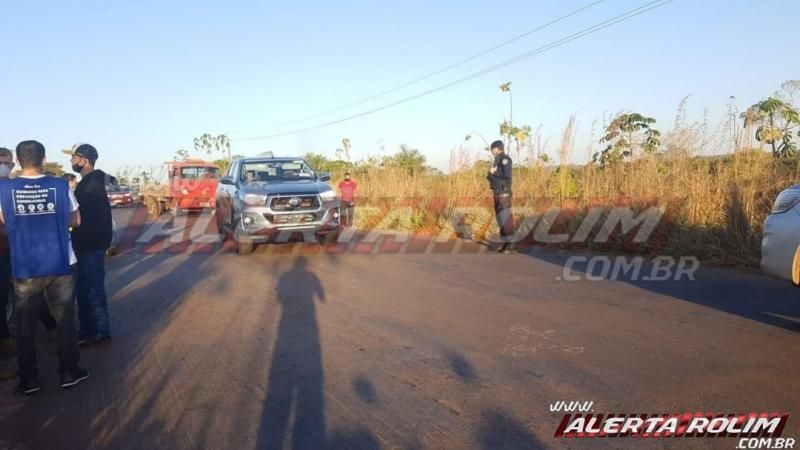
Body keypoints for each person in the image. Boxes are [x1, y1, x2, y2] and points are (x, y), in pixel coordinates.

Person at [0, 140, 88, 394]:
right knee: (65, 321)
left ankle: (29, 380)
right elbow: (76, 219)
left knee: (25, 325)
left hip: (26, 265)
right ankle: (69, 372)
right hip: (61, 263)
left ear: (17, 161)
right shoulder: (60, 185)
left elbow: (4, 219)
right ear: (44, 158)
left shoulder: (5, 190)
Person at [0, 148, 57, 341]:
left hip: (20, 250)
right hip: (4, 250)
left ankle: (49, 324)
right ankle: (6, 337)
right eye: (1, 163)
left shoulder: (15, 186)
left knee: (31, 291)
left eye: (8, 163)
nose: (4, 167)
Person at [63, 144, 113, 346]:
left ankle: (99, 330)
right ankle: (89, 330)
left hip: (90, 245)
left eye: (73, 157)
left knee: (91, 289)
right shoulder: (90, 182)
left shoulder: (92, 184)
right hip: (87, 245)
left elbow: (82, 218)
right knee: (84, 289)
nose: (71, 161)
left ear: (83, 160)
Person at [487, 140, 515, 253]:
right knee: (500, 218)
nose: (491, 151)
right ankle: (505, 243)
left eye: (492, 149)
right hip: (497, 192)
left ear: (497, 148)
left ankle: (511, 244)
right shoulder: (497, 160)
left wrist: (493, 173)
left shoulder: (505, 159)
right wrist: (491, 173)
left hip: (504, 192)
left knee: (505, 218)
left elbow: (506, 176)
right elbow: (489, 176)